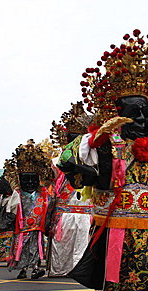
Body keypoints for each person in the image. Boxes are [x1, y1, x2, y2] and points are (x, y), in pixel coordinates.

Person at [60, 30, 148, 291]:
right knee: (112, 262)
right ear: (119, 114)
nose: (142, 121)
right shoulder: (108, 142)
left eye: (146, 114)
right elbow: (76, 166)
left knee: (146, 261)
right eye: (134, 114)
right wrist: (90, 158)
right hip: (115, 216)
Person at [0, 139, 57, 280]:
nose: (30, 183)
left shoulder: (45, 195)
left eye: (33, 179)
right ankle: (22, 269)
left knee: (36, 249)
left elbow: (50, 210)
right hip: (21, 229)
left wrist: (49, 225)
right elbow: (8, 210)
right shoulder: (16, 195)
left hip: (37, 229)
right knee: (21, 250)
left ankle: (35, 268)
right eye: (26, 179)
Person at [48, 102, 93, 277]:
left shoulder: (91, 158)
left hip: (86, 211)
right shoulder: (56, 162)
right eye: (70, 137)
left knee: (83, 246)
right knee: (62, 246)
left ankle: (80, 272)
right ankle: (61, 270)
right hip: (65, 212)